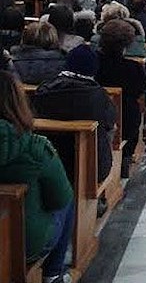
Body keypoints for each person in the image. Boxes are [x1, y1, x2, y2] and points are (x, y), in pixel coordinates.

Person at [0, 71, 74, 283]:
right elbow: (59, 199)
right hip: (22, 245)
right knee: (68, 201)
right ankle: (53, 274)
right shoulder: (35, 148)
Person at [33, 45, 115, 184]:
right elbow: (110, 123)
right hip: (92, 166)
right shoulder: (99, 95)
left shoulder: (44, 90)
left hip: (46, 160)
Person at [95, 20, 146, 178]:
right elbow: (140, 90)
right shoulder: (133, 68)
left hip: (96, 117)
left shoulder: (94, 62)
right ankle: (126, 155)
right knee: (133, 110)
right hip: (124, 121)